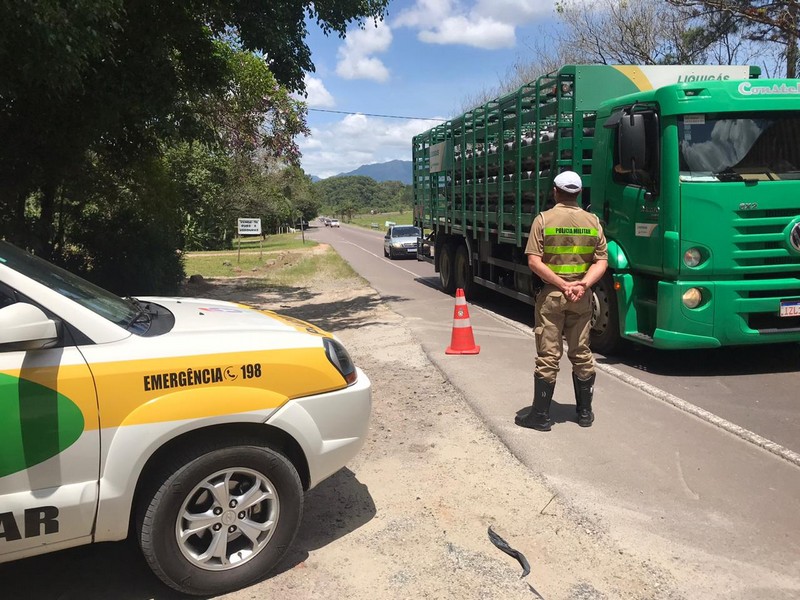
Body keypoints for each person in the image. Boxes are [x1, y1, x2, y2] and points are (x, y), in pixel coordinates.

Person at [515, 170, 608, 431]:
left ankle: (541, 417)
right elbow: (602, 261)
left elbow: (534, 261)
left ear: (555, 191)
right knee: (581, 352)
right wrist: (582, 285)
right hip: (582, 296)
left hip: (553, 297)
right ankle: (585, 414)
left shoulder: (543, 220)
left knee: (548, 355)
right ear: (579, 193)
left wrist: (561, 284)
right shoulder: (593, 222)